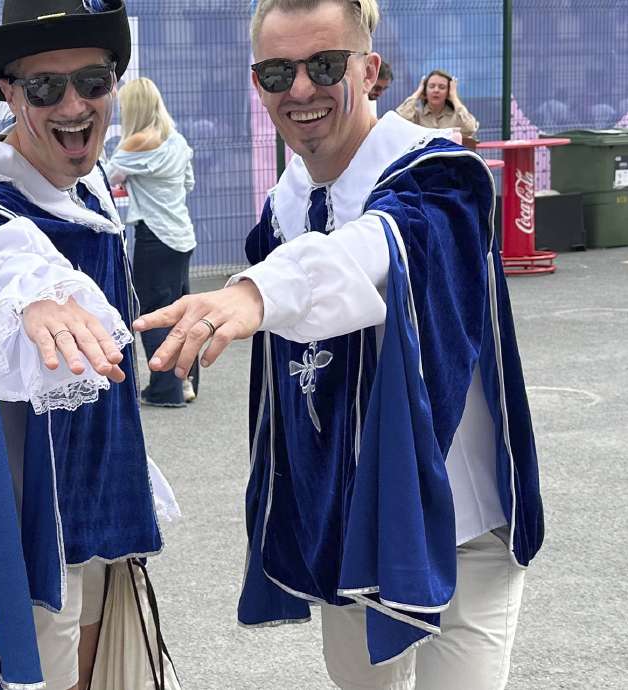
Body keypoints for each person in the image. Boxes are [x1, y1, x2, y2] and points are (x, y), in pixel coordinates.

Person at [135, 0, 544, 688]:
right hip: (355, 527)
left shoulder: (437, 175)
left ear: (371, 69)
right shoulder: (283, 208)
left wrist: (256, 293)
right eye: (276, 72)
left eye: (324, 65)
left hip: (465, 527)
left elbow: (379, 245)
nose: (300, 89)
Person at [0, 1, 166, 688]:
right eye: (46, 88)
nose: (74, 104)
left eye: (92, 80)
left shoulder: (86, 190)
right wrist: (39, 294)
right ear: (8, 91)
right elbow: (5, 254)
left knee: (95, 665)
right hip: (31, 518)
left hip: (97, 489)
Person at [107, 77, 198, 408]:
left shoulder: (135, 144)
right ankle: (186, 382)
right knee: (181, 311)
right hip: (182, 236)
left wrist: (134, 182)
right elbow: (187, 182)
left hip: (153, 237)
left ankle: (165, 390)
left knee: (155, 314)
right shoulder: (177, 141)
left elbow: (106, 178)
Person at [395, 69, 479, 139]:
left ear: (448, 92)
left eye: (442, 87)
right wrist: (417, 93)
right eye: (431, 86)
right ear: (425, 90)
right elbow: (399, 122)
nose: (436, 90)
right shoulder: (416, 114)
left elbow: (470, 128)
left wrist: (454, 97)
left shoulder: (457, 116)